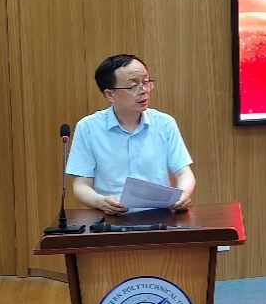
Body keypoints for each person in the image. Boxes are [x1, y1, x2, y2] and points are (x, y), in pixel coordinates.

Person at [66, 54, 195, 213]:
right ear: (110, 94)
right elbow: (81, 185)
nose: (144, 90)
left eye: (146, 82)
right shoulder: (88, 128)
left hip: (160, 217)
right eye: (133, 86)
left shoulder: (164, 123)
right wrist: (101, 201)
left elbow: (184, 173)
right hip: (111, 218)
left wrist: (183, 194)